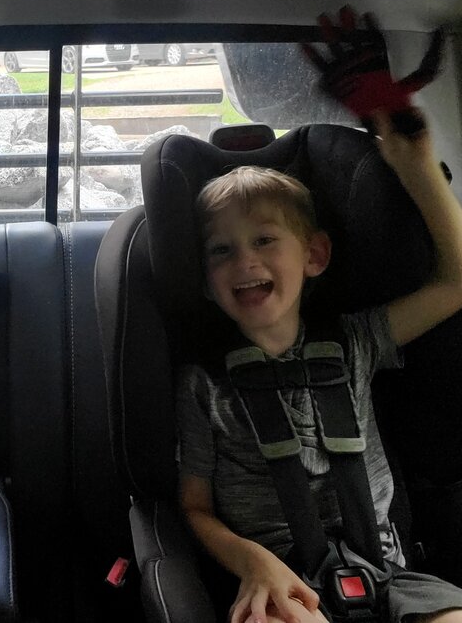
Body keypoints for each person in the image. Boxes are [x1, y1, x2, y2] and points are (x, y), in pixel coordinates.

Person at [176, 105, 462, 623]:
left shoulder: (359, 341)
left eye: (265, 239)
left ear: (314, 256)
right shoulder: (205, 384)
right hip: (276, 578)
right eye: (221, 250)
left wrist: (417, 167)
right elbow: (195, 507)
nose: (244, 260)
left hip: (388, 574)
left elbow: (455, 284)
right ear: (206, 284)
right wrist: (253, 563)